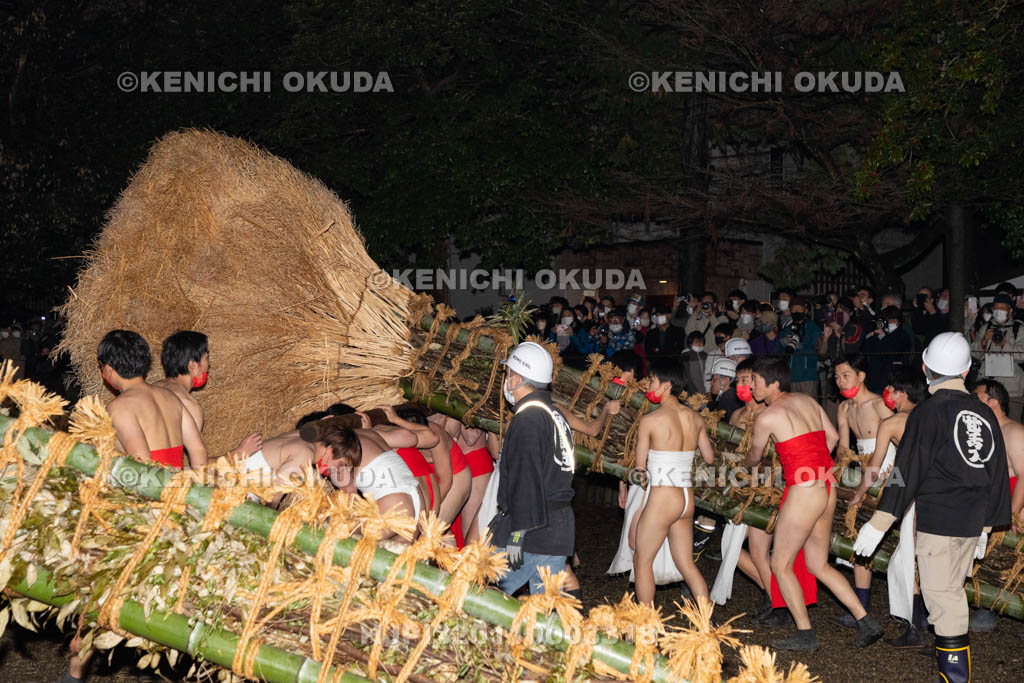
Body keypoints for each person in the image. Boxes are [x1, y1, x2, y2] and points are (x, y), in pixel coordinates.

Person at [854, 332, 1010, 681]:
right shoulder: (983, 411)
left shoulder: (928, 412)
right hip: (972, 520)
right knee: (951, 593)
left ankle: (955, 678)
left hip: (939, 520)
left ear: (925, 369)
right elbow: (996, 470)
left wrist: (880, 521)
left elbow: (906, 470)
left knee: (943, 600)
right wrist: (987, 525)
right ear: (967, 371)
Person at [743, 355, 883, 651]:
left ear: (773, 383)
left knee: (780, 564)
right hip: (826, 485)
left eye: (755, 380)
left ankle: (805, 633)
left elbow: (755, 457)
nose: (751, 385)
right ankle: (865, 620)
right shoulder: (807, 401)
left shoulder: (766, 417)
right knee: (818, 564)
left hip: (804, 490)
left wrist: (749, 464)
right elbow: (831, 438)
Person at [625, 359, 716, 605]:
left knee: (642, 561)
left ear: (666, 385)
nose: (647, 386)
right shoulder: (696, 419)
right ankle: (705, 626)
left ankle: (646, 627)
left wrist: (636, 506)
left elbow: (640, 469)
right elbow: (709, 457)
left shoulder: (650, 421)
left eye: (652, 381)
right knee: (686, 564)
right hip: (686, 498)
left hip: (663, 496)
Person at [489, 342, 576, 596]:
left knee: (484, 601)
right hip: (557, 529)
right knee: (546, 613)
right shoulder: (554, 414)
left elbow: (526, 481)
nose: (506, 381)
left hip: (531, 531)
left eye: (508, 375)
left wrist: (516, 535)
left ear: (516, 379)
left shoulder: (527, 420)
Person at [830, 354, 894, 628]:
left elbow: (903, 438)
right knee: (858, 535)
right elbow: (844, 449)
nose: (840, 381)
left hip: (891, 469)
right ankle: (861, 606)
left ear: (861, 376)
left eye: (846, 375)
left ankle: (917, 615)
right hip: (863, 470)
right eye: (836, 377)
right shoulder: (844, 408)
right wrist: (837, 474)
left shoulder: (880, 404)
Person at [711, 358, 773, 614]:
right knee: (731, 548)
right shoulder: (737, 415)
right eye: (739, 380)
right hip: (740, 486)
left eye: (747, 380)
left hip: (765, 488)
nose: (742, 385)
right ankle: (776, 595)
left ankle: (777, 600)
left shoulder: (768, 414)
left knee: (758, 552)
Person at [98, 330, 206, 469]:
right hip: (176, 486)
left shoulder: (119, 407)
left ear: (108, 368)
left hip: (151, 488)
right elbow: (198, 450)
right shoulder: (171, 397)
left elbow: (141, 462)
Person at [968, 378, 1024, 633]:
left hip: (1014, 508)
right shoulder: (982, 431)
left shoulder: (1014, 432)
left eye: (976, 395)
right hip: (989, 507)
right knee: (988, 562)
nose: (971, 399)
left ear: (993, 402)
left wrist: (1012, 515)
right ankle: (985, 610)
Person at [156, 330, 262, 462]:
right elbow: (200, 467)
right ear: (192, 365)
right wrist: (239, 453)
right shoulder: (187, 404)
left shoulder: (151, 389)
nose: (208, 365)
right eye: (206, 358)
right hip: (161, 478)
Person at [971, 293, 1024, 420]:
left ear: (1010, 310)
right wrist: (983, 342)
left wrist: (1005, 344)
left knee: (1010, 423)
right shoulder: (986, 328)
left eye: (1002, 307)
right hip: (987, 386)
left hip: (1011, 390)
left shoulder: (1019, 329)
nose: (998, 310)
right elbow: (974, 353)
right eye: (996, 307)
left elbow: (1022, 355)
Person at [863, 306, 914, 394]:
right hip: (874, 378)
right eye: (886, 320)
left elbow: (894, 353)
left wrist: (882, 336)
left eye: (891, 320)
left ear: (898, 321)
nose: (888, 322)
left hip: (891, 380)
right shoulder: (879, 334)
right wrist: (870, 335)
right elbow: (864, 349)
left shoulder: (903, 335)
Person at [780, 296, 821, 399]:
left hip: (807, 375)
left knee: (808, 408)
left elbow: (816, 349)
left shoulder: (813, 328)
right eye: (794, 309)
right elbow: (779, 351)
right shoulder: (786, 329)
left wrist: (800, 345)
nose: (796, 312)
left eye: (799, 309)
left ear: (805, 310)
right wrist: (784, 343)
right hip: (790, 376)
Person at [709, 357, 741, 422]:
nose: (710, 382)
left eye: (714, 379)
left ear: (725, 380)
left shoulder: (728, 402)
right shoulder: (731, 397)